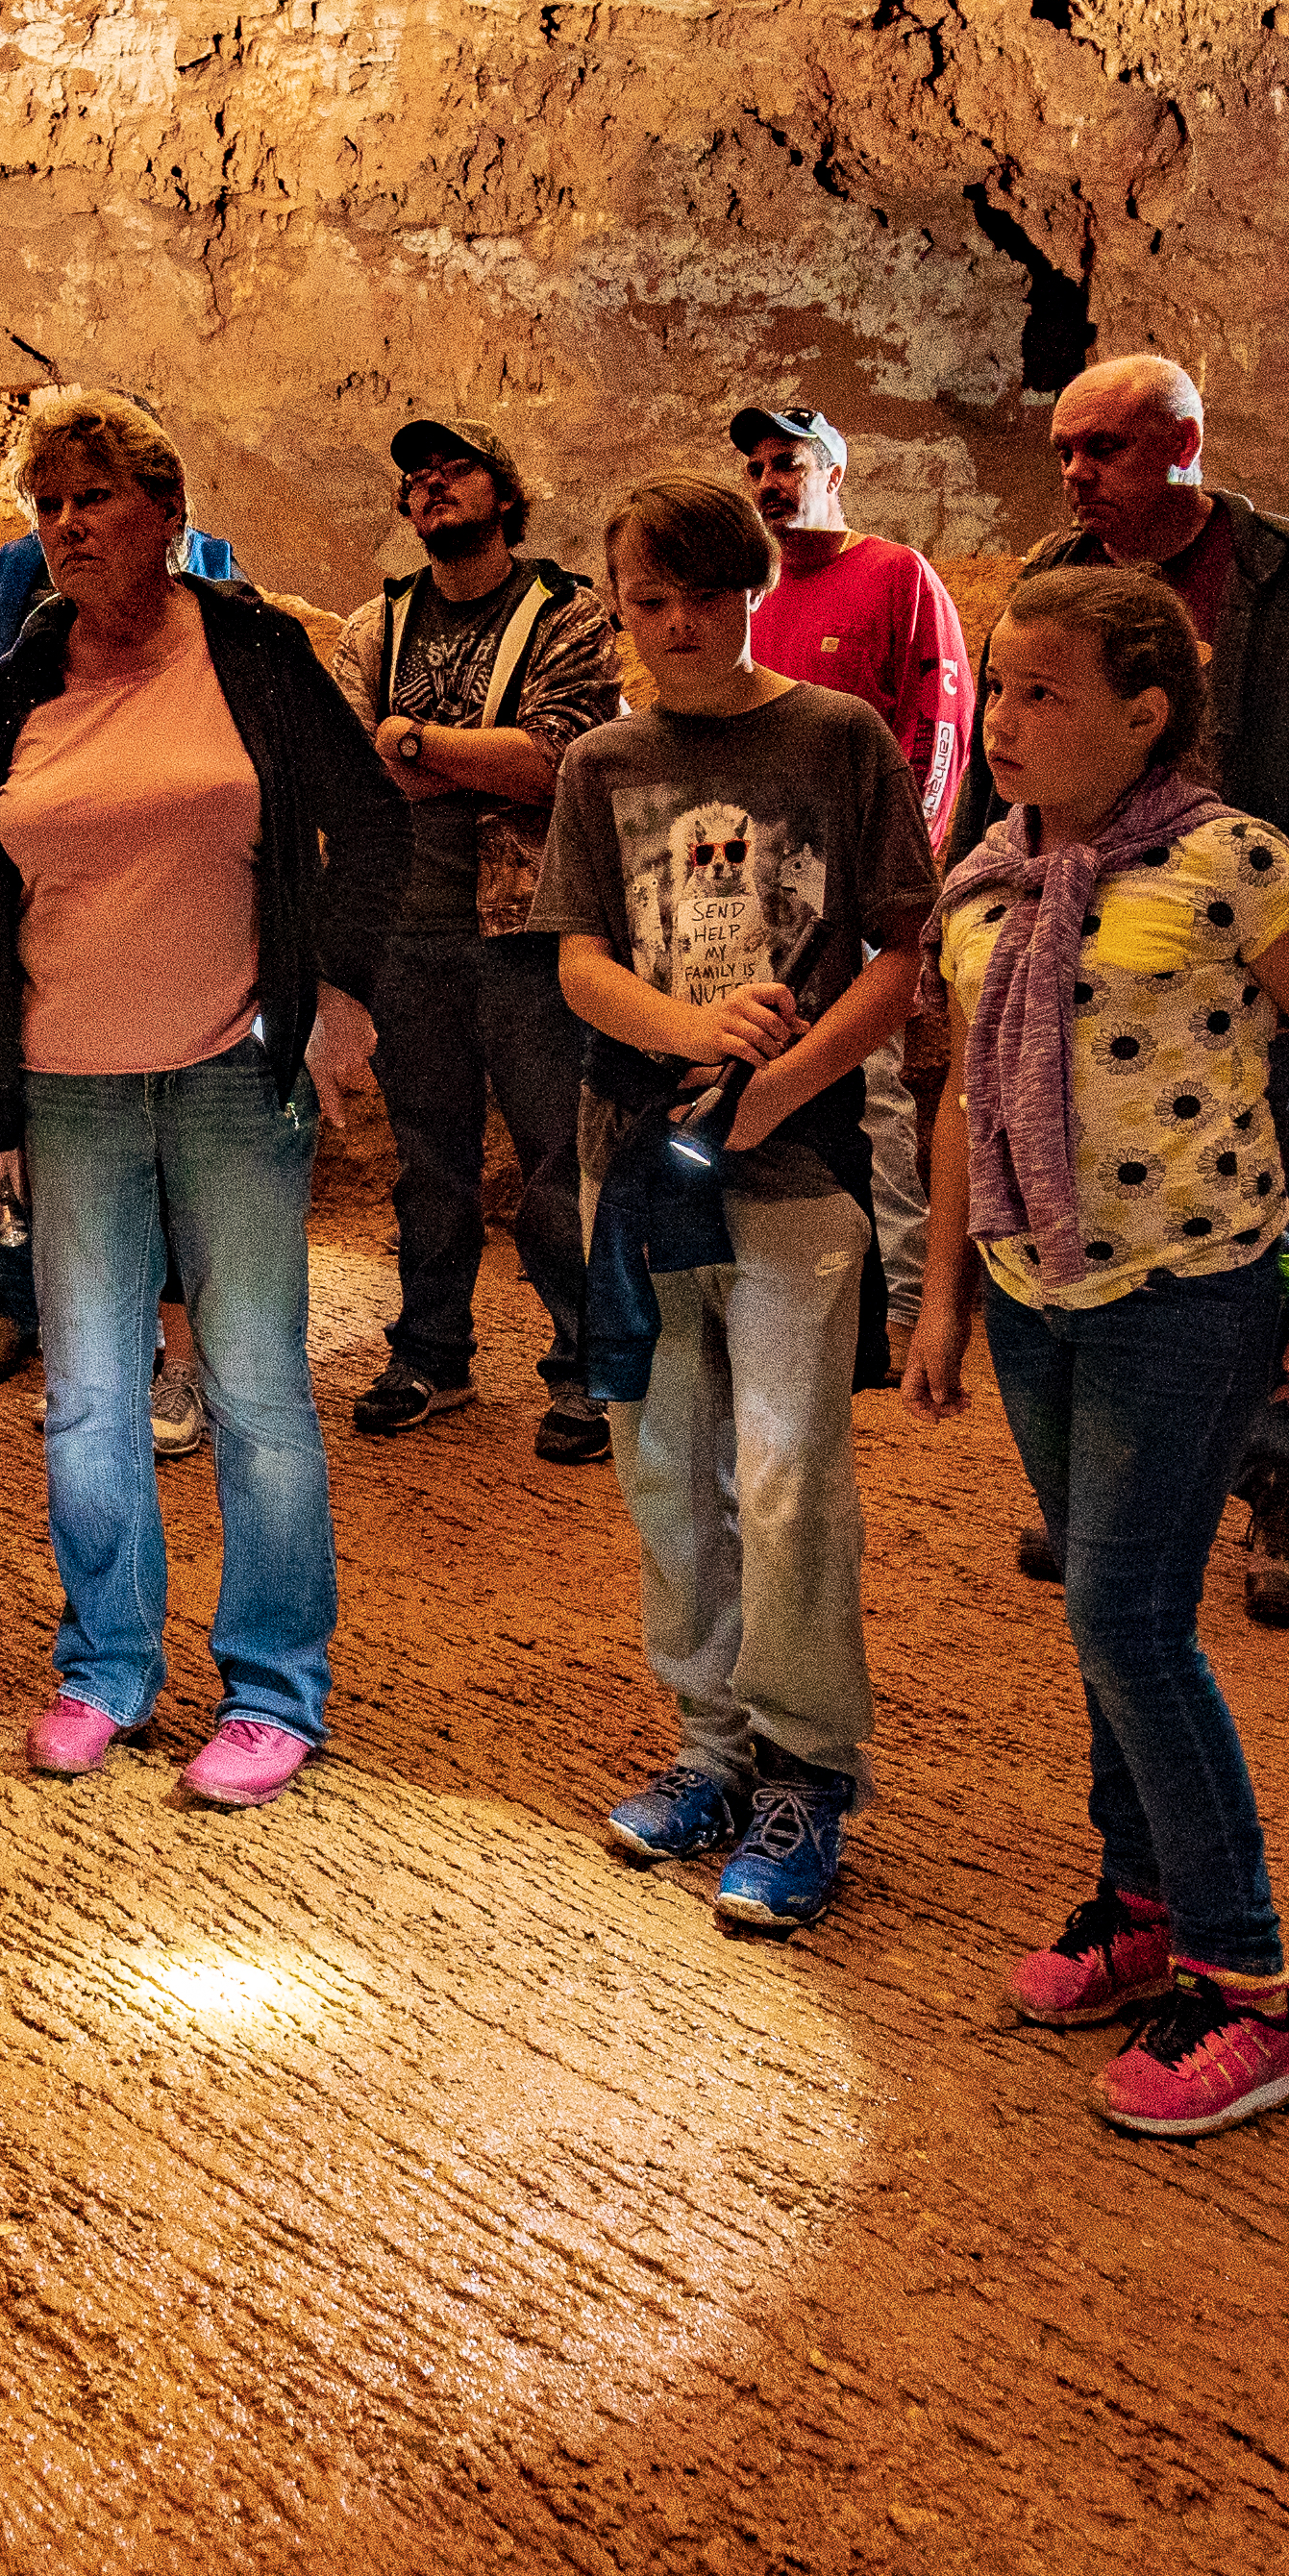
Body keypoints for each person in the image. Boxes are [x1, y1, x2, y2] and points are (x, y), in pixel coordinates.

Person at [912, 566, 1289, 2141]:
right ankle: (1140, 1909)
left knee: (1133, 1618)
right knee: (1099, 1608)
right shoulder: (986, 881)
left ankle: (1251, 1990)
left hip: (1188, 1298)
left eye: (1044, 691)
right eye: (998, 686)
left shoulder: (1228, 864)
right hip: (1036, 1298)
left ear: (1146, 712)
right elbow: (962, 1099)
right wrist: (944, 1297)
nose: (1005, 719)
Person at [0, 393, 397, 1801]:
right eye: (44, 502)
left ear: (166, 514)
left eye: (91, 496)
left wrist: (338, 992)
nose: (63, 524)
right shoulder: (26, 675)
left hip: (223, 1067)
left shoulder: (251, 651)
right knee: (87, 1395)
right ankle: (107, 1668)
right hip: (65, 1078)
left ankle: (272, 1687)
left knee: (257, 1384)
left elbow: (369, 820)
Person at [533, 477, 940, 1934]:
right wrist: (695, 1040)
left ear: (753, 589)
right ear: (621, 612)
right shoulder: (603, 762)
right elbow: (581, 959)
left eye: (706, 592)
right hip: (637, 1157)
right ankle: (709, 1746)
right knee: (663, 1460)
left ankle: (806, 1770)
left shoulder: (837, 739)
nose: (680, 624)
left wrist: (776, 1085)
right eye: (650, 601)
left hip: (793, 1161)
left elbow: (901, 954)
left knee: (785, 1474)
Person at [998, 353, 1289, 1624]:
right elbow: (1008, 770)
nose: (1074, 474)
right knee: (1094, 1217)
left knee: (1269, 1238)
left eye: (1102, 450)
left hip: (1247, 958)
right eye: (1064, 449)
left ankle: (1288, 1488)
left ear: (1181, 449)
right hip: (1086, 961)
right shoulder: (1054, 581)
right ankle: (1114, 1501)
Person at [350, 413, 623, 1467]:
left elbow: (559, 762)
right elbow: (351, 759)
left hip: (529, 929)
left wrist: (414, 741)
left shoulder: (566, 613)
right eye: (415, 475)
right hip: (408, 929)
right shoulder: (379, 623)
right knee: (428, 1157)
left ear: (505, 492)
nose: (430, 486)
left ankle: (589, 1368)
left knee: (559, 1152)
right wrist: (471, 755)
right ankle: (431, 1355)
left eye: (453, 468)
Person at [0, 471, 236, 1407]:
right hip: (35, 877)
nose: (80, 516)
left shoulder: (220, 577)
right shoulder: (4, 575)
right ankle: (10, 1293)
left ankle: (168, 1335)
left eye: (103, 489)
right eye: (60, 491)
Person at [732, 401, 975, 1337]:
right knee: (764, 1074)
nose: (768, 481)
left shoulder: (895, 575)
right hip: (753, 893)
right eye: (754, 467)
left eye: (786, 460)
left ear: (833, 468)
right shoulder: (750, 598)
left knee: (868, 1090)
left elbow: (939, 731)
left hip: (857, 896)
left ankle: (905, 1299)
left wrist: (897, 893)